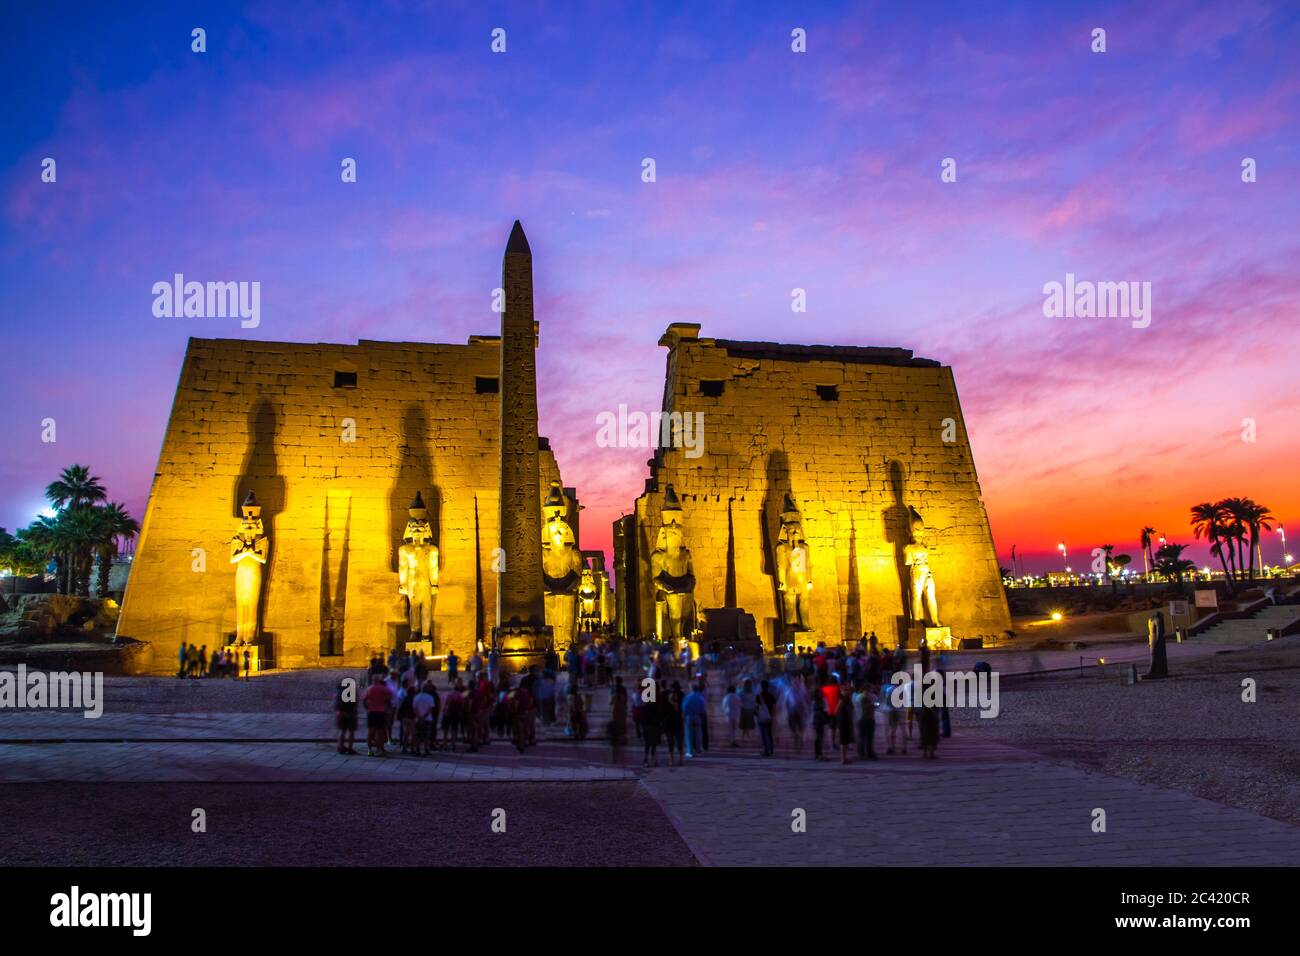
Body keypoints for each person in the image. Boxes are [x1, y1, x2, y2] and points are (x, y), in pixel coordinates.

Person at [362, 674, 393, 756]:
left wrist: (368, 707)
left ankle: (369, 750)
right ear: (379, 680)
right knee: (380, 732)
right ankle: (380, 750)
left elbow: (364, 701)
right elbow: (390, 696)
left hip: (371, 712)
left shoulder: (369, 689)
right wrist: (385, 703)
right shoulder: (383, 688)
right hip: (380, 712)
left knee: (370, 732)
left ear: (372, 680)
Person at [853, 681, 877, 760]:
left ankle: (861, 753)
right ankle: (870, 752)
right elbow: (877, 704)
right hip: (870, 718)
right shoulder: (873, 696)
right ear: (869, 688)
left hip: (860, 718)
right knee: (870, 737)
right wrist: (873, 705)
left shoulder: (858, 697)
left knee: (861, 736)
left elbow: (856, 706)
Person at [682, 682, 706, 757]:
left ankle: (690, 751)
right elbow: (703, 708)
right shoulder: (700, 697)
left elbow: (684, 707)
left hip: (689, 717)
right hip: (697, 716)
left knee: (689, 734)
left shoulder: (688, 697)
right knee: (698, 734)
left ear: (691, 689)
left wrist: (684, 715)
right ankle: (698, 749)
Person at [413, 680, 438, 755]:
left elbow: (415, 708)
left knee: (418, 735)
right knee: (426, 735)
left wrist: (419, 717)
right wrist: (424, 717)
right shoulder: (430, 697)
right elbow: (430, 708)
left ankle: (417, 749)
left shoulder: (416, 697)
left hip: (418, 719)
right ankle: (426, 749)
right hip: (427, 719)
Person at [334, 679, 358, 754]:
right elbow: (355, 702)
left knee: (342, 731)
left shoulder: (339, 691)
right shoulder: (352, 691)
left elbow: (336, 703)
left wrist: (339, 711)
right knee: (351, 732)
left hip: (341, 713)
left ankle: (340, 747)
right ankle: (350, 748)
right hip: (351, 714)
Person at [441, 679, 464, 751]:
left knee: (445, 731)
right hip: (455, 714)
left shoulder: (446, 694)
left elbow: (443, 705)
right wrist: (460, 713)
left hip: (447, 714)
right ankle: (453, 745)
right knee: (454, 730)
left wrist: (444, 711)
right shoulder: (460, 695)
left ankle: (445, 745)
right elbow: (462, 705)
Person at [836, 679, 855, 764]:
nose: (848, 691)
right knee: (843, 741)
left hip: (847, 721)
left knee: (846, 741)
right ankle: (843, 758)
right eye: (846, 690)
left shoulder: (847, 699)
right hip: (843, 721)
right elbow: (838, 710)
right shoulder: (842, 699)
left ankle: (845, 757)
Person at [756, 679, 776, 757]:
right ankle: (771, 750)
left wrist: (757, 715)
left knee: (763, 734)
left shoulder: (758, 696)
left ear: (761, 687)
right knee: (769, 734)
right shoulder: (771, 696)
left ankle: (766, 750)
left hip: (761, 717)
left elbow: (757, 707)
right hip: (769, 717)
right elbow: (774, 707)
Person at [739, 678, 757, 744]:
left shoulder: (741, 692)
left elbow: (739, 701)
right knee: (749, 725)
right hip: (750, 710)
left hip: (744, 710)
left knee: (744, 725)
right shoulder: (753, 693)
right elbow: (754, 702)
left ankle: (744, 737)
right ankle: (748, 737)